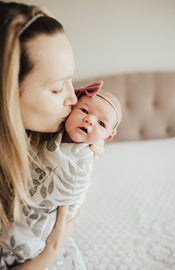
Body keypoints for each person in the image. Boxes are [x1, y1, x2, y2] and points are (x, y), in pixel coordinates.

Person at [0, 1, 102, 269]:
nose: (72, 98)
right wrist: (51, 251)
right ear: (6, 96)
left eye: (71, 80)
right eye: (57, 89)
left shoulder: (39, 139)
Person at [0, 81, 122, 269]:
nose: (90, 120)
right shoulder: (48, 129)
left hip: (41, 217)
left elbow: (74, 199)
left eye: (101, 123)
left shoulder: (81, 162)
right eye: (84, 111)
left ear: (108, 135)